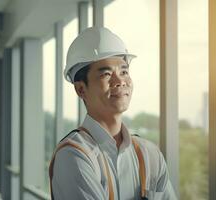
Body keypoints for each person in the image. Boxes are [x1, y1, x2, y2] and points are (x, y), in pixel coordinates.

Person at [49, 27, 177, 200]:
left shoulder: (149, 154)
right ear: (81, 89)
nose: (120, 81)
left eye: (124, 72)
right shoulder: (73, 156)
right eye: (106, 74)